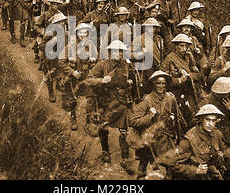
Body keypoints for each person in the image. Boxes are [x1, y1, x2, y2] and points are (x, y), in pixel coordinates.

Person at [83, 40, 135, 173]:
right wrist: (101, 80)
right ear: (110, 52)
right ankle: (105, 151)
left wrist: (128, 82)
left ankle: (124, 158)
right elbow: (88, 79)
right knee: (103, 126)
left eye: (121, 51)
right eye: (115, 51)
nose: (118, 54)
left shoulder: (126, 65)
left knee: (124, 130)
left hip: (121, 101)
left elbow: (131, 79)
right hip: (105, 101)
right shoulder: (102, 64)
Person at [129, 71, 187, 179]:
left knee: (172, 165)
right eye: (158, 83)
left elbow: (179, 118)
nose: (161, 86)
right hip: (150, 139)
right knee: (143, 165)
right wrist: (149, 116)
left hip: (166, 138)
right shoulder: (147, 100)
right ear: (153, 84)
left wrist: (180, 131)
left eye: (163, 84)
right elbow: (133, 121)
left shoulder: (171, 98)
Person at [156, 104, 226, 180]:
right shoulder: (189, 139)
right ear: (201, 119)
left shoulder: (217, 135)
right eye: (208, 119)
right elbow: (173, 165)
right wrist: (195, 170)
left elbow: (217, 160)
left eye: (213, 120)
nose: (210, 124)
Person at [200, 77, 230, 179]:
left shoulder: (229, 101)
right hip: (210, 136)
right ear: (220, 92)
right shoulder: (206, 102)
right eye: (228, 92)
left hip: (227, 137)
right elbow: (196, 122)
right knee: (211, 164)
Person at [59, 23, 98, 131]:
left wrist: (93, 61)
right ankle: (73, 117)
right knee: (73, 100)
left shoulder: (91, 45)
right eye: (80, 32)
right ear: (76, 33)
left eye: (85, 32)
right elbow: (61, 62)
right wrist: (72, 72)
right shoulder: (70, 46)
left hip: (87, 76)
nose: (82, 35)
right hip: (74, 77)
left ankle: (88, 122)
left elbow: (97, 59)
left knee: (91, 98)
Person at [160, 34, 203, 126]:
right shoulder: (169, 59)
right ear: (176, 46)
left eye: (186, 46)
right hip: (174, 92)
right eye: (181, 46)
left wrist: (189, 76)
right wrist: (179, 80)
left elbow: (197, 73)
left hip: (188, 90)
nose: (184, 49)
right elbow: (162, 80)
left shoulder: (188, 57)